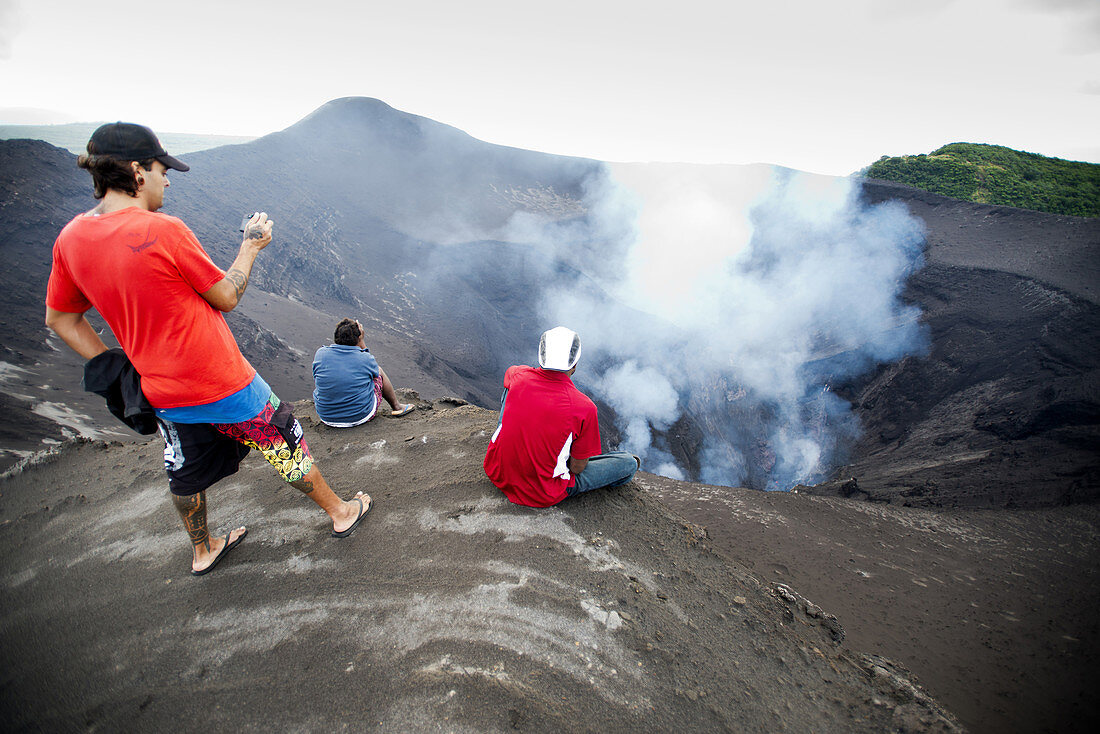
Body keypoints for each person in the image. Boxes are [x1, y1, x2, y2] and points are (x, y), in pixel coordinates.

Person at [45, 122, 372, 577]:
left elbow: (61, 318)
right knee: (283, 440)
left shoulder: (71, 239)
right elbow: (226, 296)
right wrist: (251, 246)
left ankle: (203, 549)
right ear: (137, 171)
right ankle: (340, 512)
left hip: (159, 391)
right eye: (162, 169)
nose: (168, 179)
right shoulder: (163, 230)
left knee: (183, 469)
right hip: (223, 380)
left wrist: (114, 366)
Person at [483, 326, 639, 507]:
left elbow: (513, 372)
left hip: (497, 472)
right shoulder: (584, 407)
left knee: (509, 389)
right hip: (542, 491)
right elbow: (577, 468)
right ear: (574, 364)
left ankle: (508, 440)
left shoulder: (517, 375)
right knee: (628, 463)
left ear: (542, 356)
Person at [312, 318, 413, 427]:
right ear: (359, 337)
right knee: (378, 371)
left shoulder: (320, 354)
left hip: (327, 417)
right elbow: (372, 370)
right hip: (360, 416)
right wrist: (362, 341)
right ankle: (397, 407)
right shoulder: (364, 358)